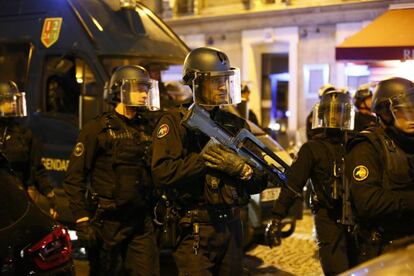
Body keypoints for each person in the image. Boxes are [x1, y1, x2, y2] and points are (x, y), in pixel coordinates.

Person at [151, 46, 268, 275]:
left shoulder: (235, 125)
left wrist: (244, 171)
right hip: (194, 227)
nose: (223, 87)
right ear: (197, 83)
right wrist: (203, 161)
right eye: (216, 81)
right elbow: (162, 172)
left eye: (225, 80)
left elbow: (261, 179)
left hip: (232, 227)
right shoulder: (175, 122)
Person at [63, 65, 160, 275]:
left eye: (146, 88)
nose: (145, 94)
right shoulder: (96, 129)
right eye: (139, 88)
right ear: (120, 90)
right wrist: (82, 220)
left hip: (141, 221)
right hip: (107, 221)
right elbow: (74, 178)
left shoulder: (149, 128)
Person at [267, 89, 355, 275]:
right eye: (329, 112)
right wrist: (276, 217)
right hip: (327, 217)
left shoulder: (356, 145)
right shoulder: (312, 148)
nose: (333, 117)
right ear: (320, 114)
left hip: (357, 220)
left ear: (346, 115)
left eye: (338, 112)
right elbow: (293, 184)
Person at [346, 77, 414, 265]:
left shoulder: (409, 143)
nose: (413, 116)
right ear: (385, 113)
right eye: (406, 111)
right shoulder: (366, 147)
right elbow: (368, 202)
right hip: (384, 248)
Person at [0, 80, 56, 216]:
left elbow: (35, 167)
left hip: (18, 200)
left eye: (14, 99)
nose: (13, 103)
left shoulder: (23, 134)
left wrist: (50, 194)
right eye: (8, 100)